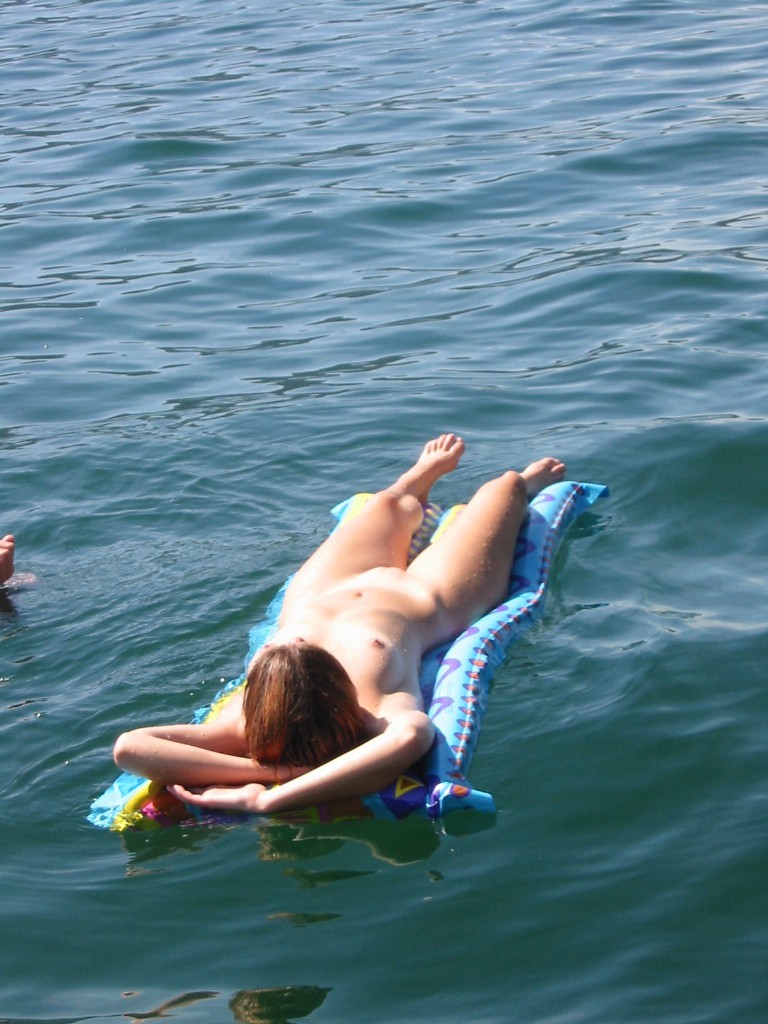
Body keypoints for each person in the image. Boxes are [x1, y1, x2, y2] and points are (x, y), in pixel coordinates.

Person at [113, 434, 565, 815]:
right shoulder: (371, 709)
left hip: (323, 591)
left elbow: (131, 746)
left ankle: (418, 479)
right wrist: (270, 795)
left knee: (389, 503)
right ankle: (525, 486)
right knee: (505, 487)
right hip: (425, 597)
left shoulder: (244, 723)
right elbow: (413, 734)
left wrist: (266, 781)